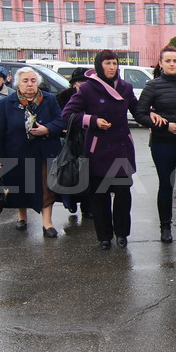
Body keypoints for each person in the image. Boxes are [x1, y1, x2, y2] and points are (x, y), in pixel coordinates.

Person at [62, 50, 138, 250]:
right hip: (98, 149)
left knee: (123, 194)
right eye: (107, 63)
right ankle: (104, 236)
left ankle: (122, 234)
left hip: (121, 148)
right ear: (99, 66)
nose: (112, 67)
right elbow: (68, 114)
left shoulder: (126, 87)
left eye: (114, 63)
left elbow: (138, 110)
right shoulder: (88, 88)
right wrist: (92, 120)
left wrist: (154, 116)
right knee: (99, 195)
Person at [0, 68, 65, 236]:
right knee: (21, 187)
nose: (30, 84)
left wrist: (47, 129)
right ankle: (22, 216)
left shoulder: (49, 99)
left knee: (46, 188)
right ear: (18, 84)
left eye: (33, 80)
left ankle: (47, 224)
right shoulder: (6, 103)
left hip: (44, 153)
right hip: (17, 153)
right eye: (25, 81)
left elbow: (61, 121)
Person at [134, 45, 176, 246]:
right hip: (162, 142)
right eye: (168, 61)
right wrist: (164, 126)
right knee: (166, 184)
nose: (172, 64)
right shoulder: (153, 86)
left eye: (175, 60)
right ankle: (165, 227)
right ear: (160, 63)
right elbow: (140, 114)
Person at [55, 67, 92, 218]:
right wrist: (63, 129)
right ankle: (70, 202)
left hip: (88, 138)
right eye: (79, 81)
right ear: (74, 83)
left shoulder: (93, 95)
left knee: (87, 173)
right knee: (70, 171)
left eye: (85, 81)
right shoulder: (64, 96)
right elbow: (60, 116)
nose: (82, 84)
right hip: (70, 138)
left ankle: (87, 206)